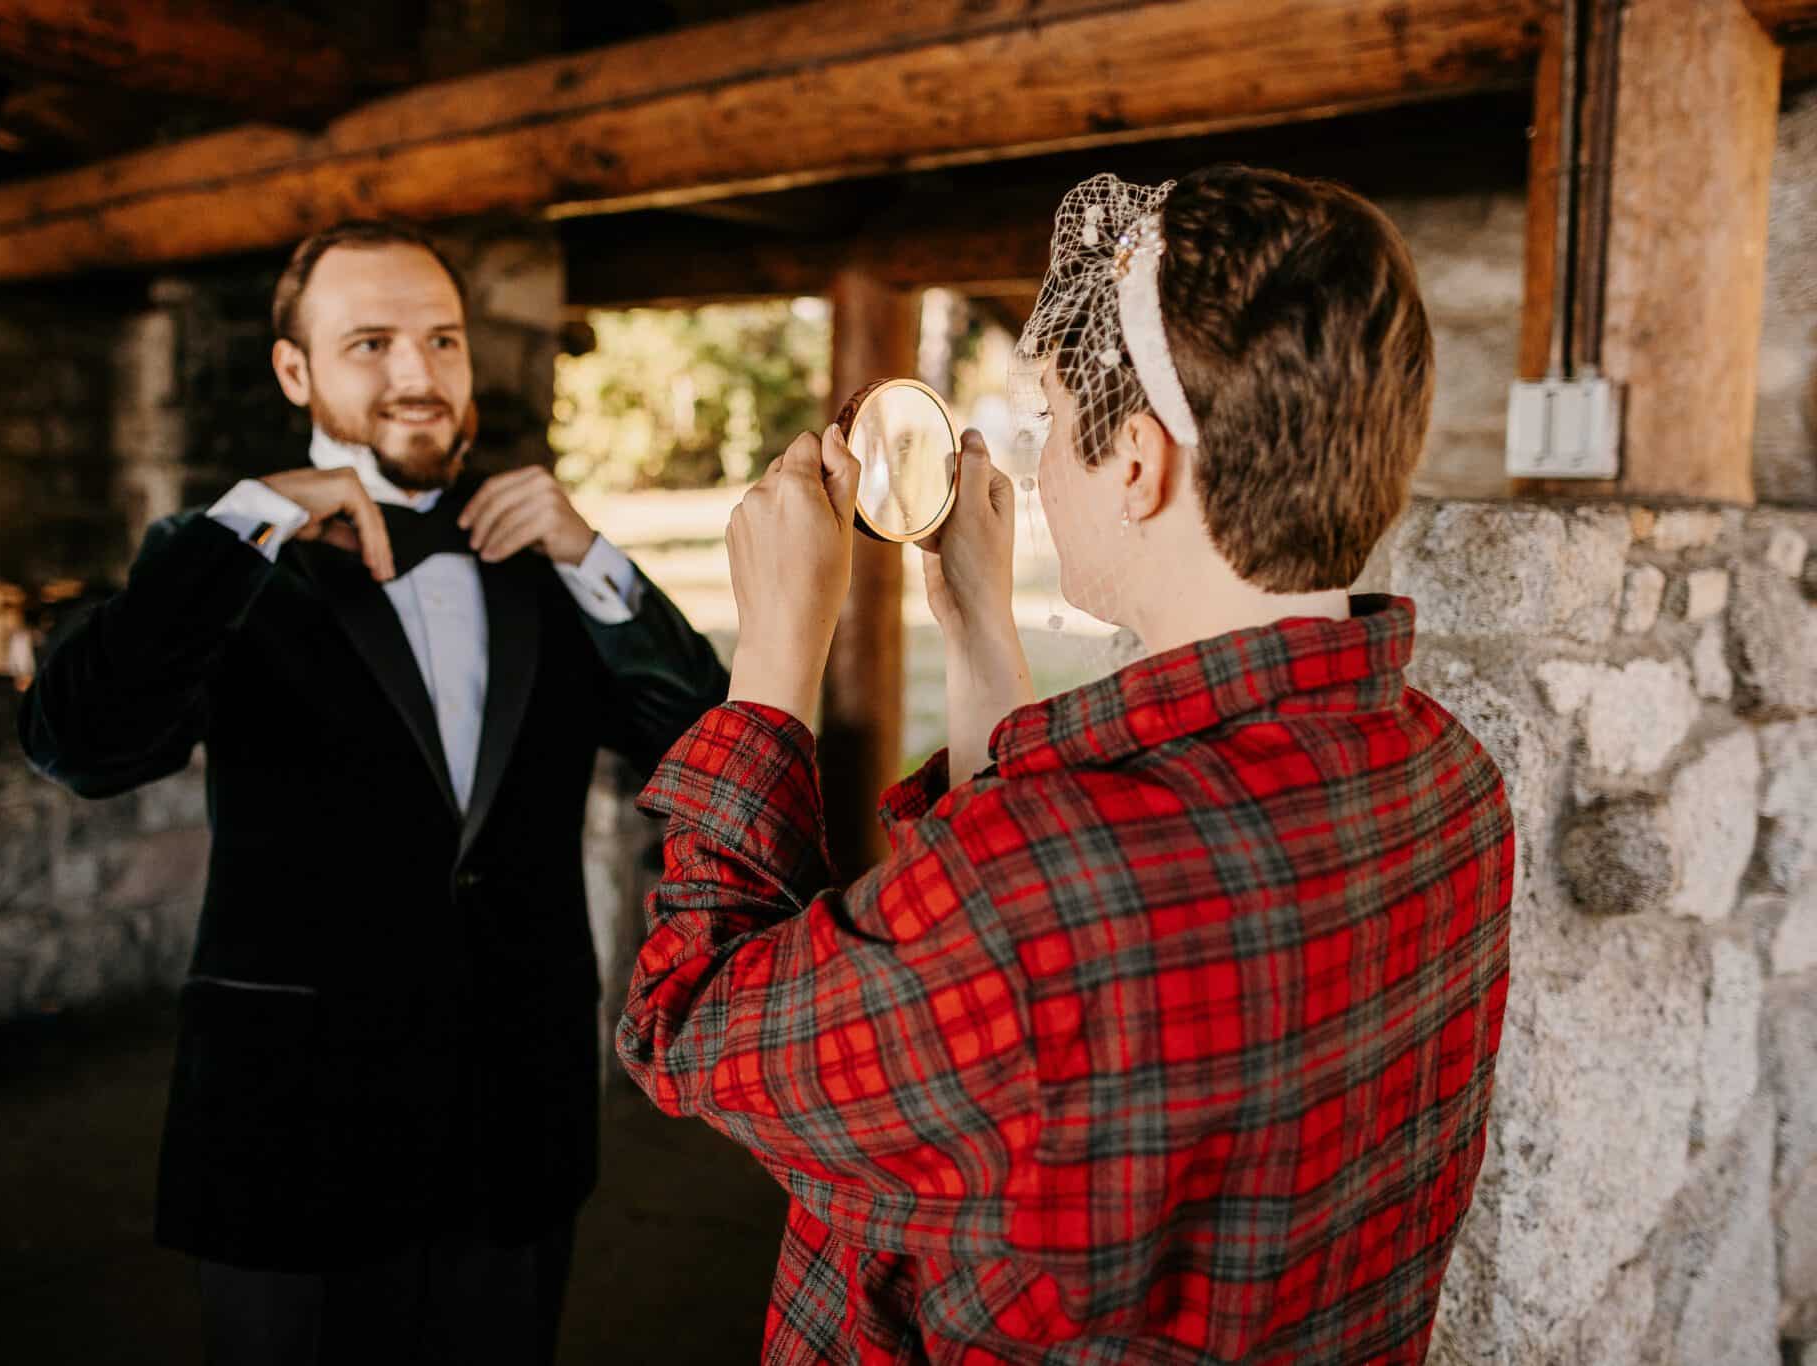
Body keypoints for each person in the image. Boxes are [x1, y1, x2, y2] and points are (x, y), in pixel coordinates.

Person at [617, 166, 1514, 1362]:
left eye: (1046, 422)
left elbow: (688, 1022)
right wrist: (981, 630)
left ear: (1137, 463)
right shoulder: (1447, 778)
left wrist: (776, 649)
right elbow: (1049, 1080)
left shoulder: (1041, 891)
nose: (1036, 467)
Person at [21, 219, 728, 1364]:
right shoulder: (221, 559)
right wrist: (249, 520)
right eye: (371, 342)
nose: (418, 374)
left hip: (517, 1117)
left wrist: (596, 561)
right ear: (293, 371)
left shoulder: (541, 557)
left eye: (442, 339)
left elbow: (709, 753)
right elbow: (81, 745)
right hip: (293, 1125)